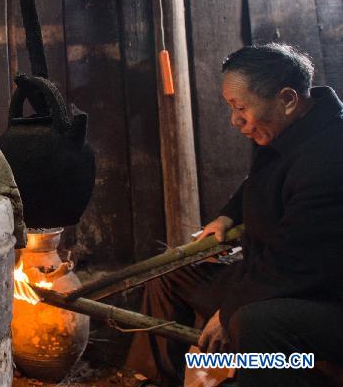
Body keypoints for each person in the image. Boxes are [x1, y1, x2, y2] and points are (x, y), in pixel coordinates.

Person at [126, 43, 343, 387]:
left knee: (253, 320)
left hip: (319, 295)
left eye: (241, 107)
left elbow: (294, 265)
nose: (235, 119)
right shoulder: (291, 131)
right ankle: (153, 380)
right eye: (231, 107)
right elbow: (257, 184)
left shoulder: (330, 155)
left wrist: (226, 312)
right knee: (169, 274)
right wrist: (228, 216)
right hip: (275, 273)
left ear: (287, 99)